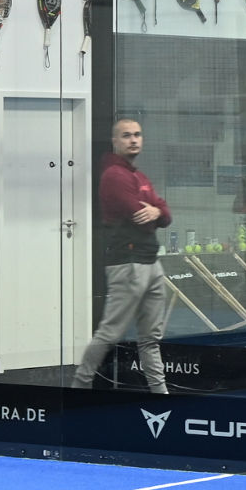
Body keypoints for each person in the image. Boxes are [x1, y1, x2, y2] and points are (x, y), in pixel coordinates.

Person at [71, 118, 172, 394]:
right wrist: (156, 212)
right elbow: (138, 215)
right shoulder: (114, 176)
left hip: (151, 264)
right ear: (115, 141)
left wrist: (157, 210)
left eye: (138, 135)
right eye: (126, 135)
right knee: (110, 333)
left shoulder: (138, 176)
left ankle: (160, 394)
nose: (133, 140)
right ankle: (80, 387)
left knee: (150, 339)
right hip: (128, 264)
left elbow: (164, 213)